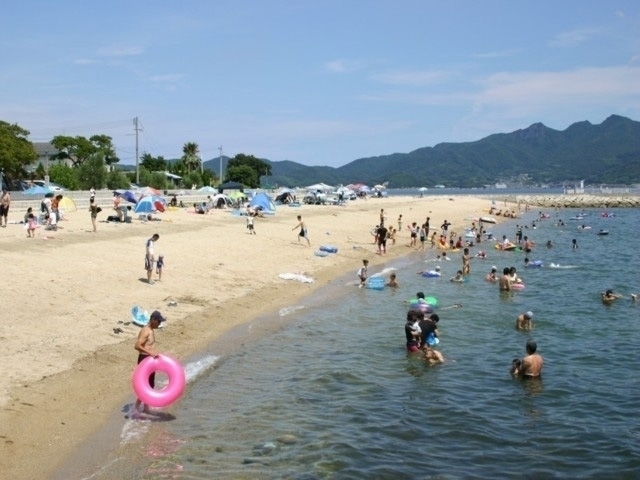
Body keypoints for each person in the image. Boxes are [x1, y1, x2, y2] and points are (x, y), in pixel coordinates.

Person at [133, 310, 166, 413]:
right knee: (145, 386)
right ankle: (135, 409)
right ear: (153, 319)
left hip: (149, 360)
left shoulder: (151, 330)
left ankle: (145, 408)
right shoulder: (146, 331)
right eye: (158, 321)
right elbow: (137, 346)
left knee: (150, 385)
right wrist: (150, 353)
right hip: (144, 360)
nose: (159, 324)